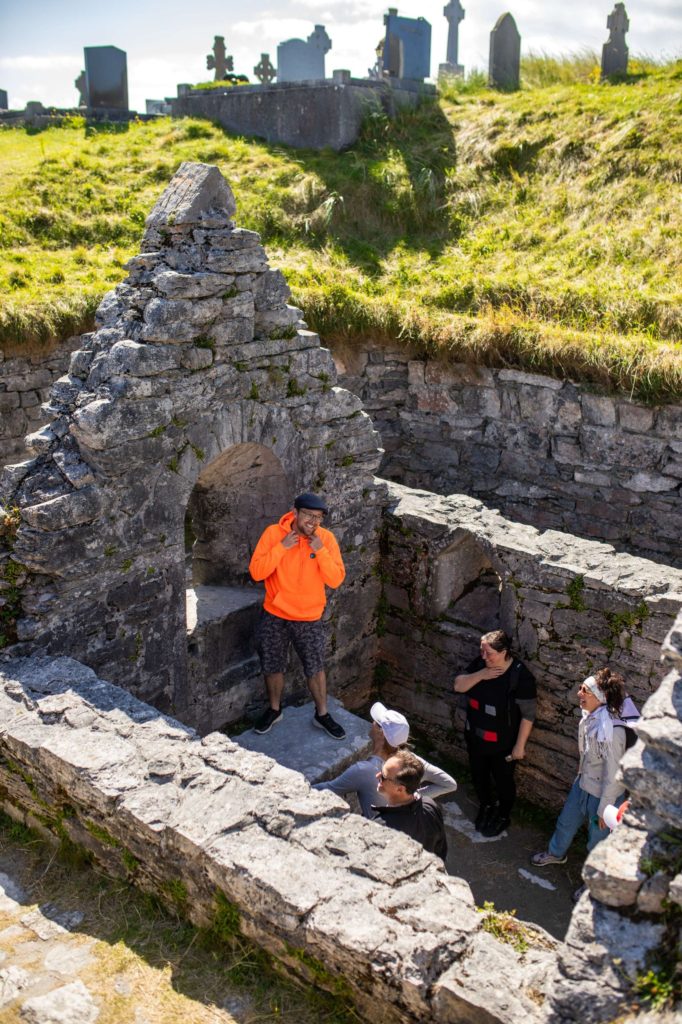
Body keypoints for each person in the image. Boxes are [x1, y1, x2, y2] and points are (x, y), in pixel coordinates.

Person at [249, 492, 346, 739]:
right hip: (275, 612)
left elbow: (335, 580)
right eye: (309, 516)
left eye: (318, 518)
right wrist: (282, 548)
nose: (313, 522)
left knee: (315, 667)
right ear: (295, 513)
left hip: (309, 615)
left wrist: (321, 551)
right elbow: (257, 572)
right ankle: (274, 709)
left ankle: (322, 714)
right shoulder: (273, 534)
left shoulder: (326, 539)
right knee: (272, 664)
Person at [531, 668, 636, 876]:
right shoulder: (590, 718)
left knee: (597, 841)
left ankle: (590, 882)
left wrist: (604, 809)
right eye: (581, 689)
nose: (579, 694)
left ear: (599, 697)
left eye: (584, 690)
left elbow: (615, 775)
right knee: (565, 823)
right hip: (583, 786)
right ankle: (556, 853)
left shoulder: (612, 731)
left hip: (605, 796)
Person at [453, 629, 536, 837]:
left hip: (503, 745)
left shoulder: (520, 676)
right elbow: (458, 686)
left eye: (489, 653)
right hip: (475, 738)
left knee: (504, 781)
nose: (484, 656)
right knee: (479, 775)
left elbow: (528, 715)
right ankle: (486, 806)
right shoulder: (481, 665)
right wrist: (482, 674)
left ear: (504, 652)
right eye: (482, 651)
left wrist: (520, 746)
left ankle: (503, 815)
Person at [313, 701, 457, 817]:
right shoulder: (412, 763)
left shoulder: (364, 770)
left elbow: (326, 789)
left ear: (381, 733)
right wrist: (411, 797)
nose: (372, 723)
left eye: (376, 722)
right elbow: (449, 784)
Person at [373, 749, 448, 860]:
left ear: (400, 789)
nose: (377, 775)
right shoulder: (430, 805)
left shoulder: (381, 825)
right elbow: (441, 848)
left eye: (383, 776)